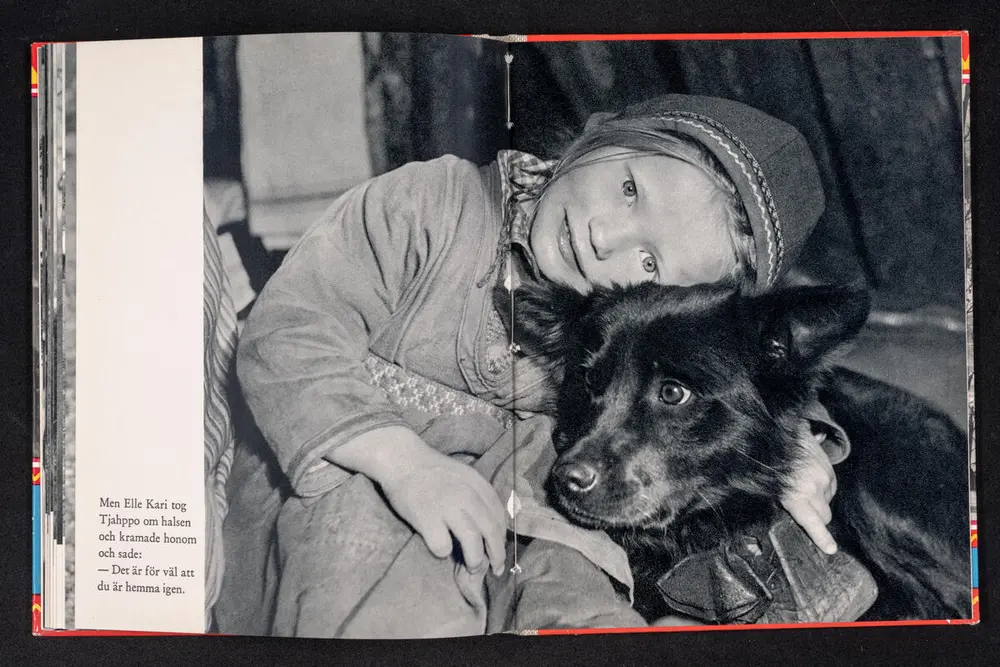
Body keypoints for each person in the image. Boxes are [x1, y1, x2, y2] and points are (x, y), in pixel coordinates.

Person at [216, 94, 853, 637]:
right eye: (630, 188)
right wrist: (400, 462)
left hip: (516, 498)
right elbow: (289, 329)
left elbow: (740, 377)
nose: (607, 236)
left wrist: (800, 449)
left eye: (652, 265)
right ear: (600, 133)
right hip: (346, 464)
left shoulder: (607, 314)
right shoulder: (428, 202)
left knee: (578, 568)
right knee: (383, 585)